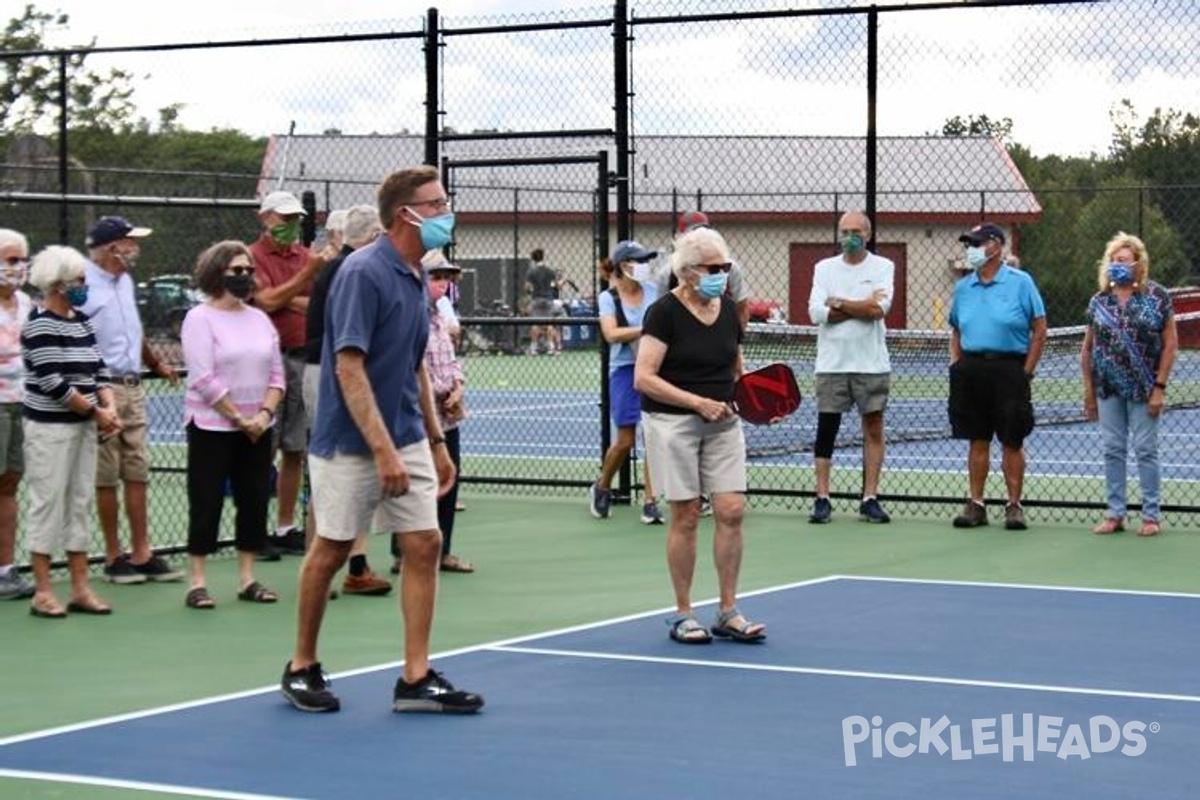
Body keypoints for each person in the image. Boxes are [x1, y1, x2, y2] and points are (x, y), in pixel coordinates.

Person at [281, 165, 483, 714]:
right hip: (350, 440)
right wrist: (382, 450)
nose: (447, 212)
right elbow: (349, 368)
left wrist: (436, 443)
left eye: (445, 202)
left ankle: (415, 678)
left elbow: (414, 363)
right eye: (437, 204)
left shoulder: (418, 274)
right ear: (405, 214)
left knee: (425, 542)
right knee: (332, 549)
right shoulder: (361, 273)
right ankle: (302, 665)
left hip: (409, 434)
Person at [634, 226, 766, 645]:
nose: (722, 274)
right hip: (673, 424)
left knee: (731, 510)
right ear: (689, 272)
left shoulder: (728, 311)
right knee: (686, 514)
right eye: (714, 267)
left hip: (724, 421)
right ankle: (683, 613)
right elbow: (644, 378)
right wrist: (696, 403)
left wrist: (758, 404)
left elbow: (735, 369)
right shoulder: (663, 313)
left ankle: (728, 610)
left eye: (725, 267)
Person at [179, 241, 285, 609]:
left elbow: (277, 375)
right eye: (235, 271)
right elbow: (203, 377)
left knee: (254, 499)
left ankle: (247, 577)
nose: (244, 277)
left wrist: (263, 416)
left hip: (257, 427)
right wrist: (238, 417)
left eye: (248, 271)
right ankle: (197, 582)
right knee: (206, 500)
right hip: (212, 426)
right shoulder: (199, 319)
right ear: (216, 273)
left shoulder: (259, 318)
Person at [81, 216, 183, 585]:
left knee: (137, 468)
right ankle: (113, 556)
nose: (135, 248)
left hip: (133, 384)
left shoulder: (123, 282)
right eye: (129, 242)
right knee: (106, 473)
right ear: (111, 248)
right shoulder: (81, 283)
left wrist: (155, 362)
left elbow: (132, 330)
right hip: (100, 386)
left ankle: (142, 553)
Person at [22, 245, 121, 618]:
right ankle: (43, 591)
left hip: (83, 430)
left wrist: (107, 406)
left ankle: (80, 587)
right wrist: (100, 413)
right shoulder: (40, 324)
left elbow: (98, 370)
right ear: (59, 284)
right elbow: (53, 382)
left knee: (79, 504)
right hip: (49, 431)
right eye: (78, 280)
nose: (84, 285)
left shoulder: (81, 321)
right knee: (48, 504)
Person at [303, 203, 392, 596]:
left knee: (353, 475)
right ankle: (319, 568)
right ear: (374, 236)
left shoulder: (348, 267)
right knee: (332, 475)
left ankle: (355, 564)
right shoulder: (350, 269)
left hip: (337, 373)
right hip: (330, 375)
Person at [948, 222, 1046, 531]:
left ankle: (1013, 506)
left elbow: (1040, 330)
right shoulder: (963, 287)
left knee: (1012, 440)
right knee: (977, 439)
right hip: (972, 370)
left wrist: (1025, 372)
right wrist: (957, 365)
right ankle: (976, 504)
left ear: (997, 246)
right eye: (969, 244)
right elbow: (956, 330)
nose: (971, 250)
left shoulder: (1021, 282)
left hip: (1010, 370)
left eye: (977, 243)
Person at [1081, 232, 1178, 537]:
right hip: (1108, 388)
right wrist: (1089, 391)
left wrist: (1159, 387)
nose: (1116, 265)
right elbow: (1087, 348)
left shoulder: (1157, 297)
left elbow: (1171, 343)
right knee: (1112, 449)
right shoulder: (1100, 301)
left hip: (1145, 388)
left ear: (1138, 264)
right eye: (1113, 260)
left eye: (1122, 260)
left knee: (1146, 450)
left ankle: (1151, 516)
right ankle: (1115, 514)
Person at [249, 190, 328, 557]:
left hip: (302, 357)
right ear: (265, 217)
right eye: (284, 218)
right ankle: (254, 530)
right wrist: (302, 283)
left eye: (295, 218)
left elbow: (316, 304)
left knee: (294, 448)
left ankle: (285, 526)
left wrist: (287, 297)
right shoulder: (253, 257)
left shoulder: (304, 257)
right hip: (268, 362)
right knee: (263, 446)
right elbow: (263, 302)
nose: (291, 225)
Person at [805, 211, 893, 525]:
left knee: (873, 429)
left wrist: (839, 303)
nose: (849, 236)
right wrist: (858, 305)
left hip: (871, 365)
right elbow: (816, 312)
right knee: (826, 429)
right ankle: (822, 498)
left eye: (855, 231)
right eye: (844, 231)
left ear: (868, 234)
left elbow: (878, 310)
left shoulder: (883, 267)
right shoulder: (823, 268)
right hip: (831, 364)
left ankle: (869, 498)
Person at [589, 242, 663, 524]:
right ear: (622, 265)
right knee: (625, 440)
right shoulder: (609, 298)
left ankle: (650, 501)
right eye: (637, 260)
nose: (643, 265)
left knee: (653, 437)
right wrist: (646, 330)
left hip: (654, 368)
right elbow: (611, 333)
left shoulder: (655, 292)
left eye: (646, 259)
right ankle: (602, 485)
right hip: (623, 370)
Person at [417, 249, 473, 573]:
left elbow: (452, 361)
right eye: (435, 277)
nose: (441, 284)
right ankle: (408, 551)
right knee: (422, 485)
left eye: (445, 278)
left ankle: (443, 550)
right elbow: (416, 368)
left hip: (448, 416)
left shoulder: (439, 318)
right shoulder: (412, 317)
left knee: (450, 480)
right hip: (422, 416)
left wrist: (458, 388)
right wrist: (441, 393)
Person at [0, 229, 34, 601]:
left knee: (8, 482)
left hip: (18, 403)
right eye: (10, 260)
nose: (18, 267)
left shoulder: (25, 303)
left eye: (22, 260)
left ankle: (5, 569)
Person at [658, 211, 753, 330]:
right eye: (694, 234)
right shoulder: (668, 273)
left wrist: (735, 339)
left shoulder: (729, 267)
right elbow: (661, 316)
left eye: (705, 232)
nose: (701, 238)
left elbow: (742, 308)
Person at [525, 248, 562, 355]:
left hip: (536, 298)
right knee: (549, 323)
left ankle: (533, 348)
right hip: (548, 298)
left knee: (535, 323)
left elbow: (527, 287)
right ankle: (551, 347)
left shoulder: (531, 272)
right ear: (543, 257)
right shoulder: (550, 271)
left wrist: (531, 291)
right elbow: (558, 286)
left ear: (533, 259)